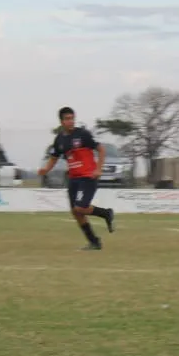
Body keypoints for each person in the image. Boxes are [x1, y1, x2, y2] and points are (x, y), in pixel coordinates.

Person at [38, 107, 115, 250]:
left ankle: (106, 213)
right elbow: (54, 158)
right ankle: (94, 242)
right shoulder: (60, 139)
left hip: (88, 177)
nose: (71, 121)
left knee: (80, 208)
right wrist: (45, 170)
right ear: (61, 121)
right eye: (67, 119)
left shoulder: (83, 135)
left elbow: (101, 149)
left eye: (72, 118)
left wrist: (98, 168)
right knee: (75, 212)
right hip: (73, 179)